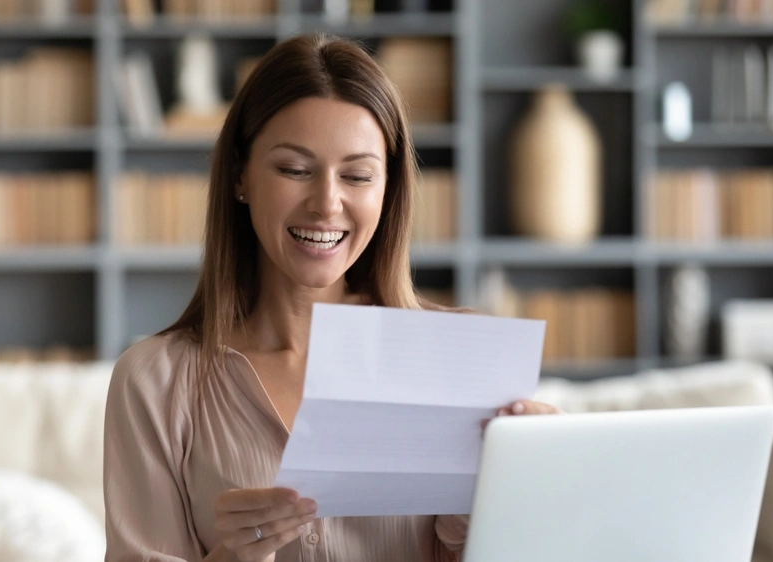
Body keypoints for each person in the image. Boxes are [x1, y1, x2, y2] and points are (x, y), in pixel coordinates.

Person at [103, 33, 561, 562]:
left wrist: (531, 489)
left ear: (387, 189)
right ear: (239, 176)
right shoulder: (155, 383)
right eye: (294, 170)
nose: (326, 203)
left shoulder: (457, 364)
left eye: (358, 176)